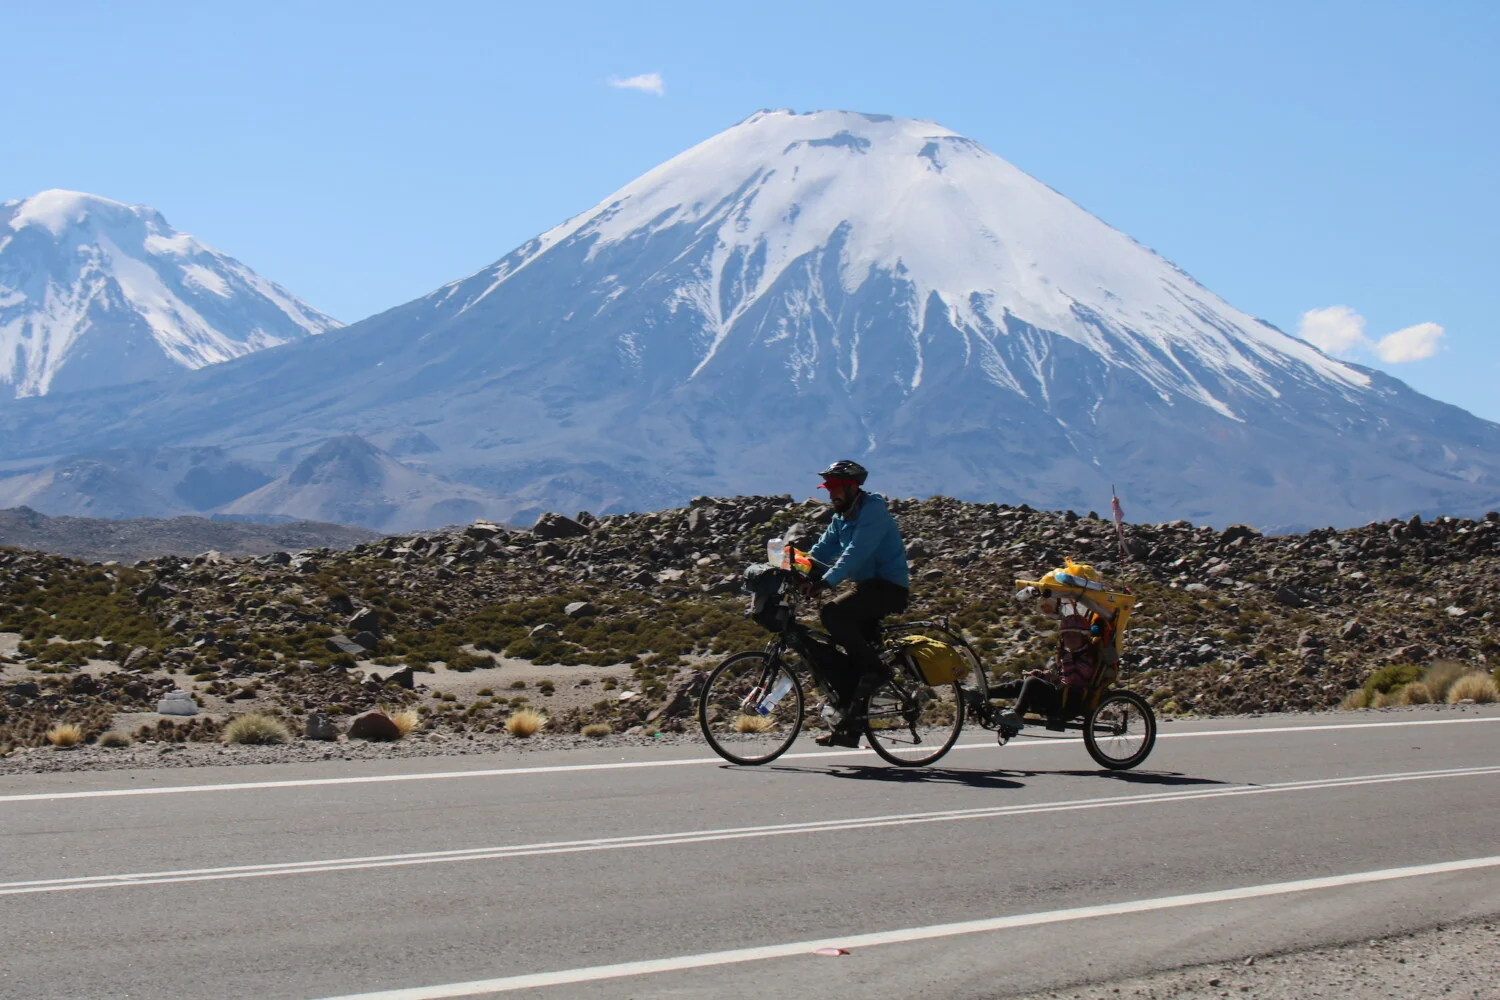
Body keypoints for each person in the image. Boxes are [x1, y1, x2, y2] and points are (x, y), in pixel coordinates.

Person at [801, 460, 910, 748]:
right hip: (867, 587)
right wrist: (796, 569)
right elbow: (823, 548)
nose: (831, 494)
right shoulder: (842, 516)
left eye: (836, 488)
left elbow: (856, 552)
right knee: (850, 661)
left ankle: (878, 671)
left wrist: (826, 581)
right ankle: (849, 728)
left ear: (852, 487)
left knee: (833, 613)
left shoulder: (872, 510)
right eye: (828, 489)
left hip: (888, 588)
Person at [995, 609, 1110, 730]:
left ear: (1084, 637)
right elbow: (1057, 675)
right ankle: (986, 694)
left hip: (1070, 702)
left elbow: (1070, 681)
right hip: (1060, 695)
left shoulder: (1087, 658)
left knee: (1032, 683)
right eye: (1068, 635)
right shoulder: (1070, 655)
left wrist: (1065, 660)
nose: (1071, 638)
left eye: (1075, 635)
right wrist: (1041, 675)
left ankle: (1017, 715)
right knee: (1021, 684)